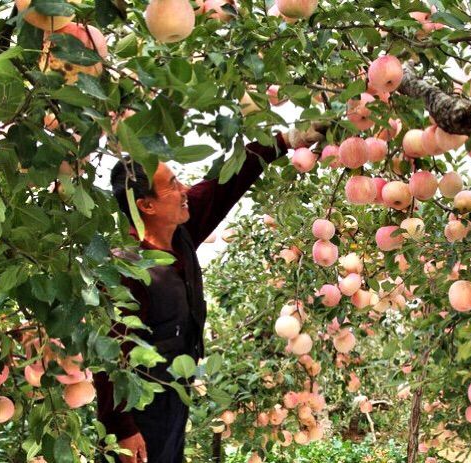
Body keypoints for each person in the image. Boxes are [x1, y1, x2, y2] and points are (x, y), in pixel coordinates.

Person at [96, 126, 324, 463]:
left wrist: (285, 141)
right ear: (147, 205)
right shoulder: (126, 269)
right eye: (172, 185)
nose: (183, 190)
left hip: (174, 393)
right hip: (140, 406)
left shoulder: (180, 233)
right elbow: (110, 353)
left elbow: (223, 184)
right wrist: (121, 428)